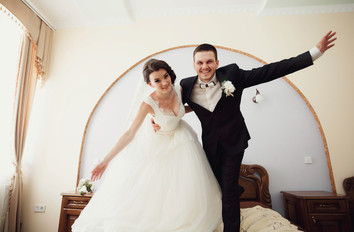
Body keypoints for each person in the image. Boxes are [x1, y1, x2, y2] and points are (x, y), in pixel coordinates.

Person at [152, 31, 337, 232]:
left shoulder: (232, 75)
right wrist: (157, 119)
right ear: (194, 64)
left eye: (209, 61)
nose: (204, 66)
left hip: (234, 142)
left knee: (229, 189)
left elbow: (271, 70)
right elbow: (174, 105)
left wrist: (314, 53)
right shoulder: (186, 86)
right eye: (200, 63)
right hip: (210, 145)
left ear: (216, 62)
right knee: (215, 188)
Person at [72, 59, 223, 232]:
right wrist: (105, 161)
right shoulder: (148, 103)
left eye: (165, 76)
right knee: (156, 196)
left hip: (183, 141)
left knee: (186, 192)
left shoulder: (179, 89)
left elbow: (182, 108)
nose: (164, 82)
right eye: (157, 80)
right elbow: (129, 134)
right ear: (149, 83)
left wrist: (198, 108)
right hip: (160, 147)